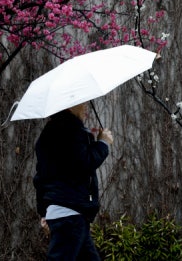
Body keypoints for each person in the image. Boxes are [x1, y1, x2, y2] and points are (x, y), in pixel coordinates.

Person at [33, 102, 113, 260]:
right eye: (82, 104)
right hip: (70, 215)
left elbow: (41, 178)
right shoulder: (71, 130)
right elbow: (84, 163)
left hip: (66, 214)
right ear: (70, 105)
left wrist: (45, 212)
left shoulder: (48, 133)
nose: (86, 108)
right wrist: (103, 143)